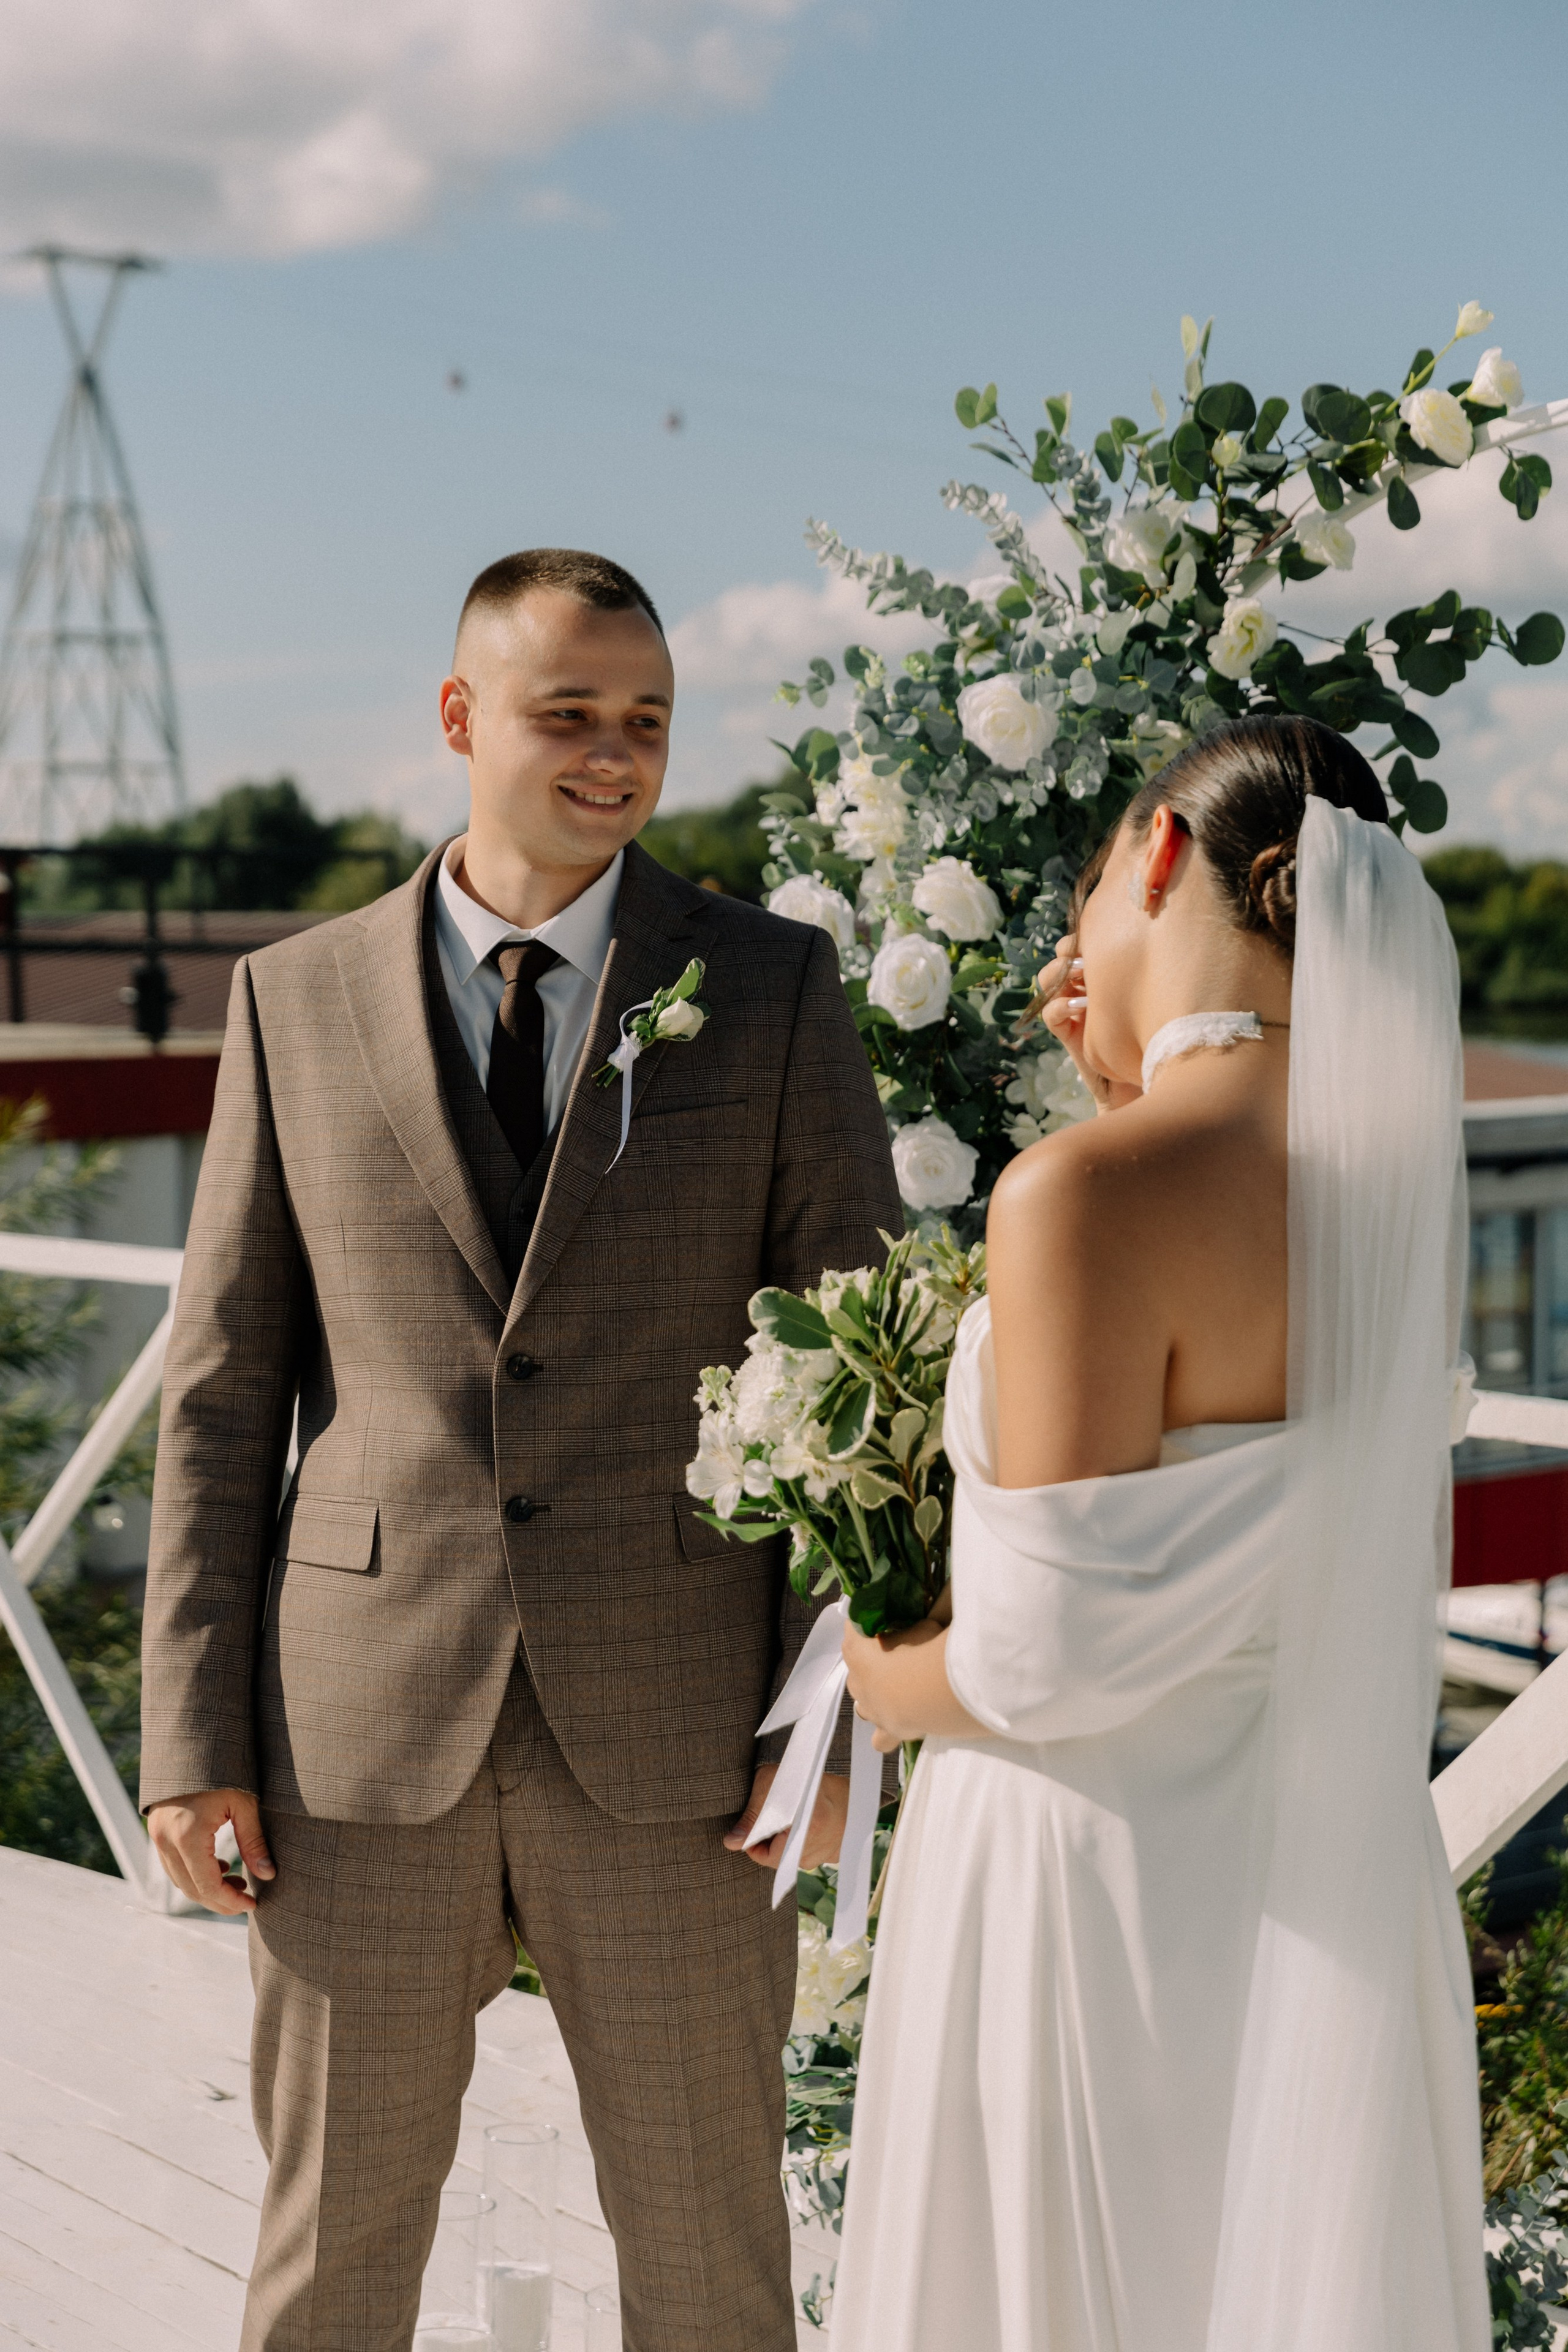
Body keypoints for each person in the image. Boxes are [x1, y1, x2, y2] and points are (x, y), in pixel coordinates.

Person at [139, 548, 899, 2352]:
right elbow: (227, 1390)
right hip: (355, 1744)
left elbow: (867, 1378)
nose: (614, 757)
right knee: (329, 2265)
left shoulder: (771, 988)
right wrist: (191, 1736)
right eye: (570, 716)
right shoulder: (292, 996)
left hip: (686, 1745)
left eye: (645, 722)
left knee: (717, 2271)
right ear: (464, 718)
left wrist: (839, 1722)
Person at [834, 714, 1488, 2352]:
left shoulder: (1081, 1193)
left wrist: (869, 1669)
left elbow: (1041, 1664)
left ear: (1165, 856)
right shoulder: (1385, 1196)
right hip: (1318, 1876)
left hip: (1091, 1884)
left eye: (1093, 893)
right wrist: (1120, 1082)